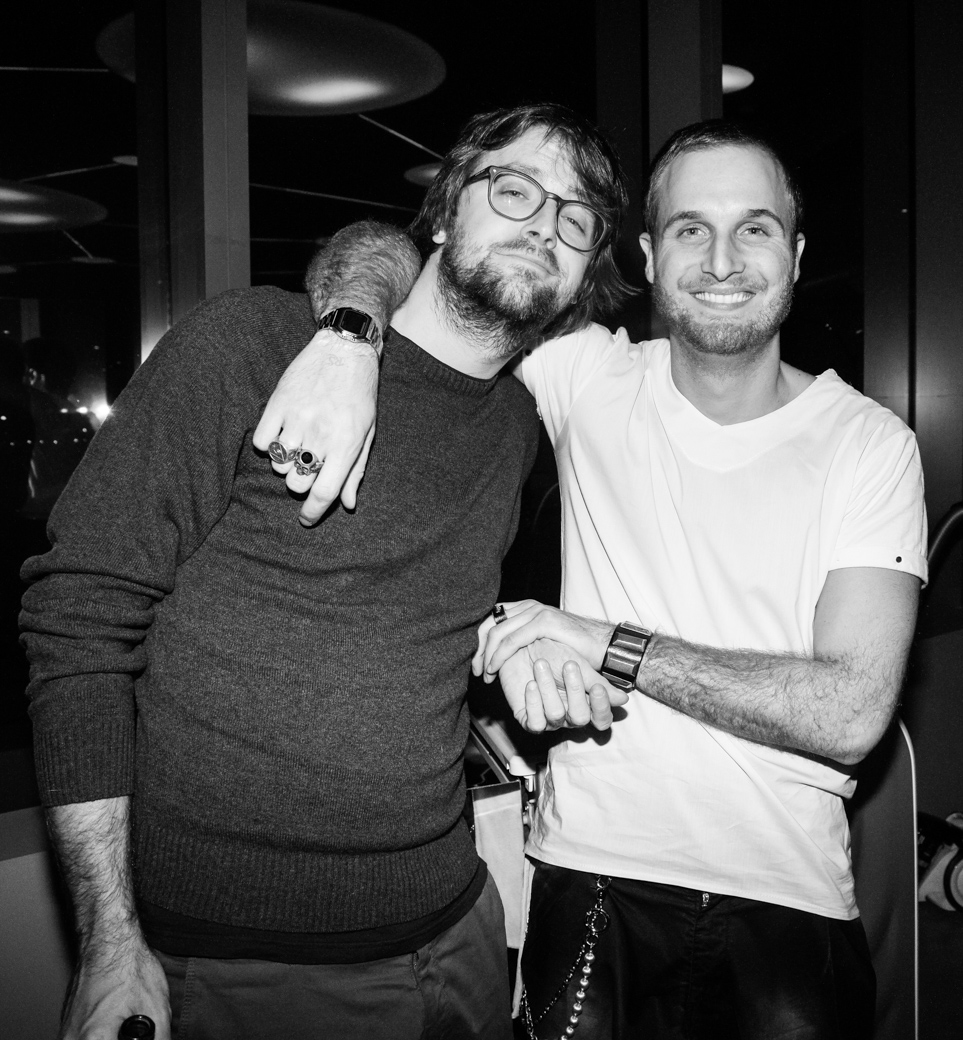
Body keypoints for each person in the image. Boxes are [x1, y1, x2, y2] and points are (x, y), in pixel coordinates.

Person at [254, 120, 927, 1040]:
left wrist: (604, 643)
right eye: (689, 228)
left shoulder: (868, 444)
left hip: (789, 897)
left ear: (797, 255)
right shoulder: (585, 372)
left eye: (754, 228)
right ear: (648, 256)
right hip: (592, 874)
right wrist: (348, 336)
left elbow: (848, 715)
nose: (721, 260)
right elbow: (395, 256)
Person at [19, 102, 632, 1040]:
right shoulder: (252, 345)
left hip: (460, 924)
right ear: (444, 210)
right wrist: (109, 938)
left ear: (588, 270)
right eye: (515, 189)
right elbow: (79, 620)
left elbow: (408, 613)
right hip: (251, 959)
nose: (544, 224)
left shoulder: (516, 428)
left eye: (576, 217)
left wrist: (507, 647)